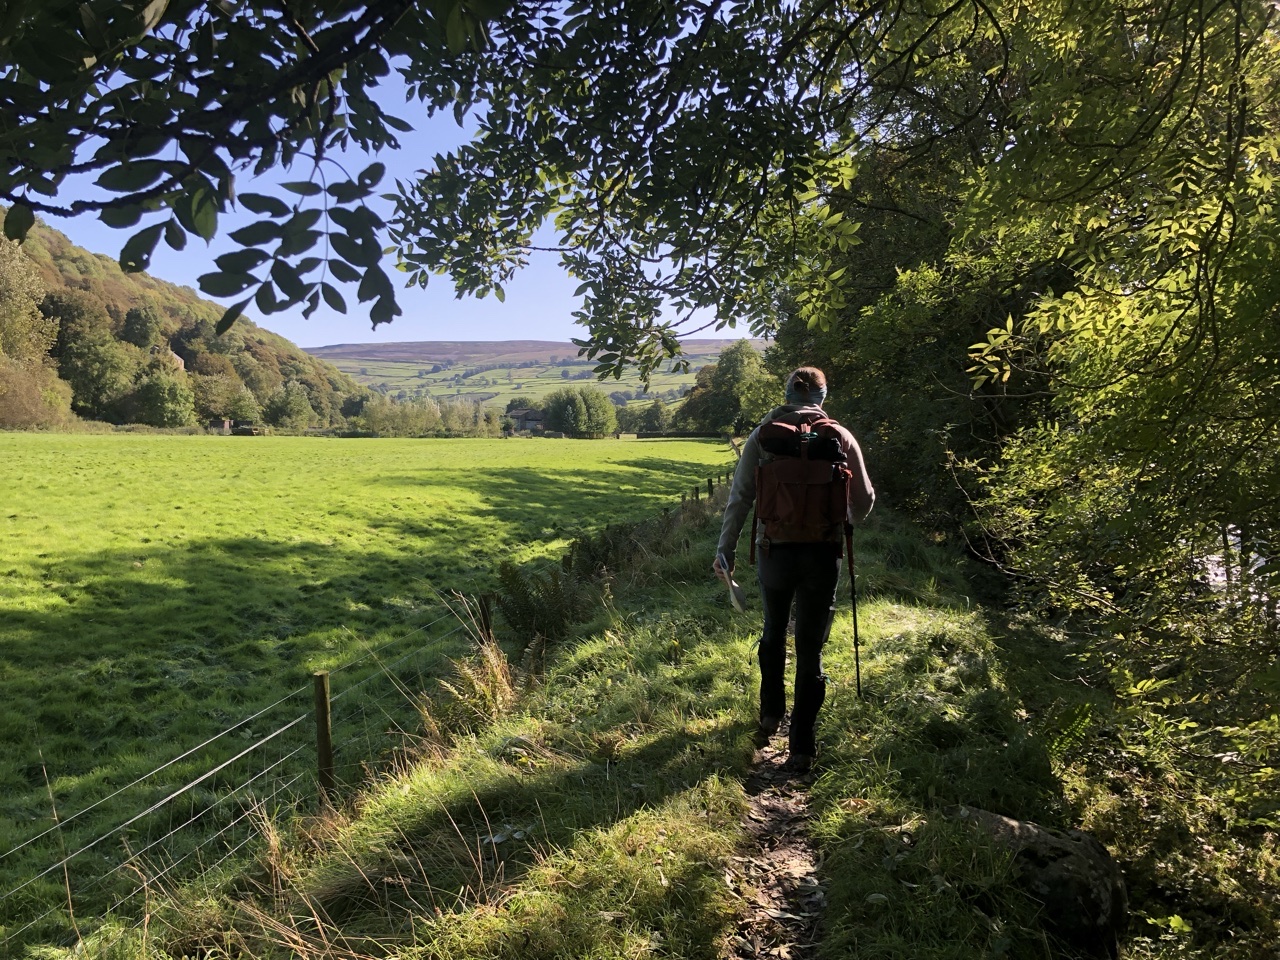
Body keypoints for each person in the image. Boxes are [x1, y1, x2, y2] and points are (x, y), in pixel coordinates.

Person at [713, 366, 874, 772]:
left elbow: (740, 497)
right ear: (822, 396)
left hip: (775, 552)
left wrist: (725, 550)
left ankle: (769, 715)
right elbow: (866, 497)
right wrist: (846, 520)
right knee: (810, 647)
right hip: (823, 553)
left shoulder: (764, 434)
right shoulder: (839, 435)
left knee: (772, 630)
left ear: (787, 392)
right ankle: (802, 745)